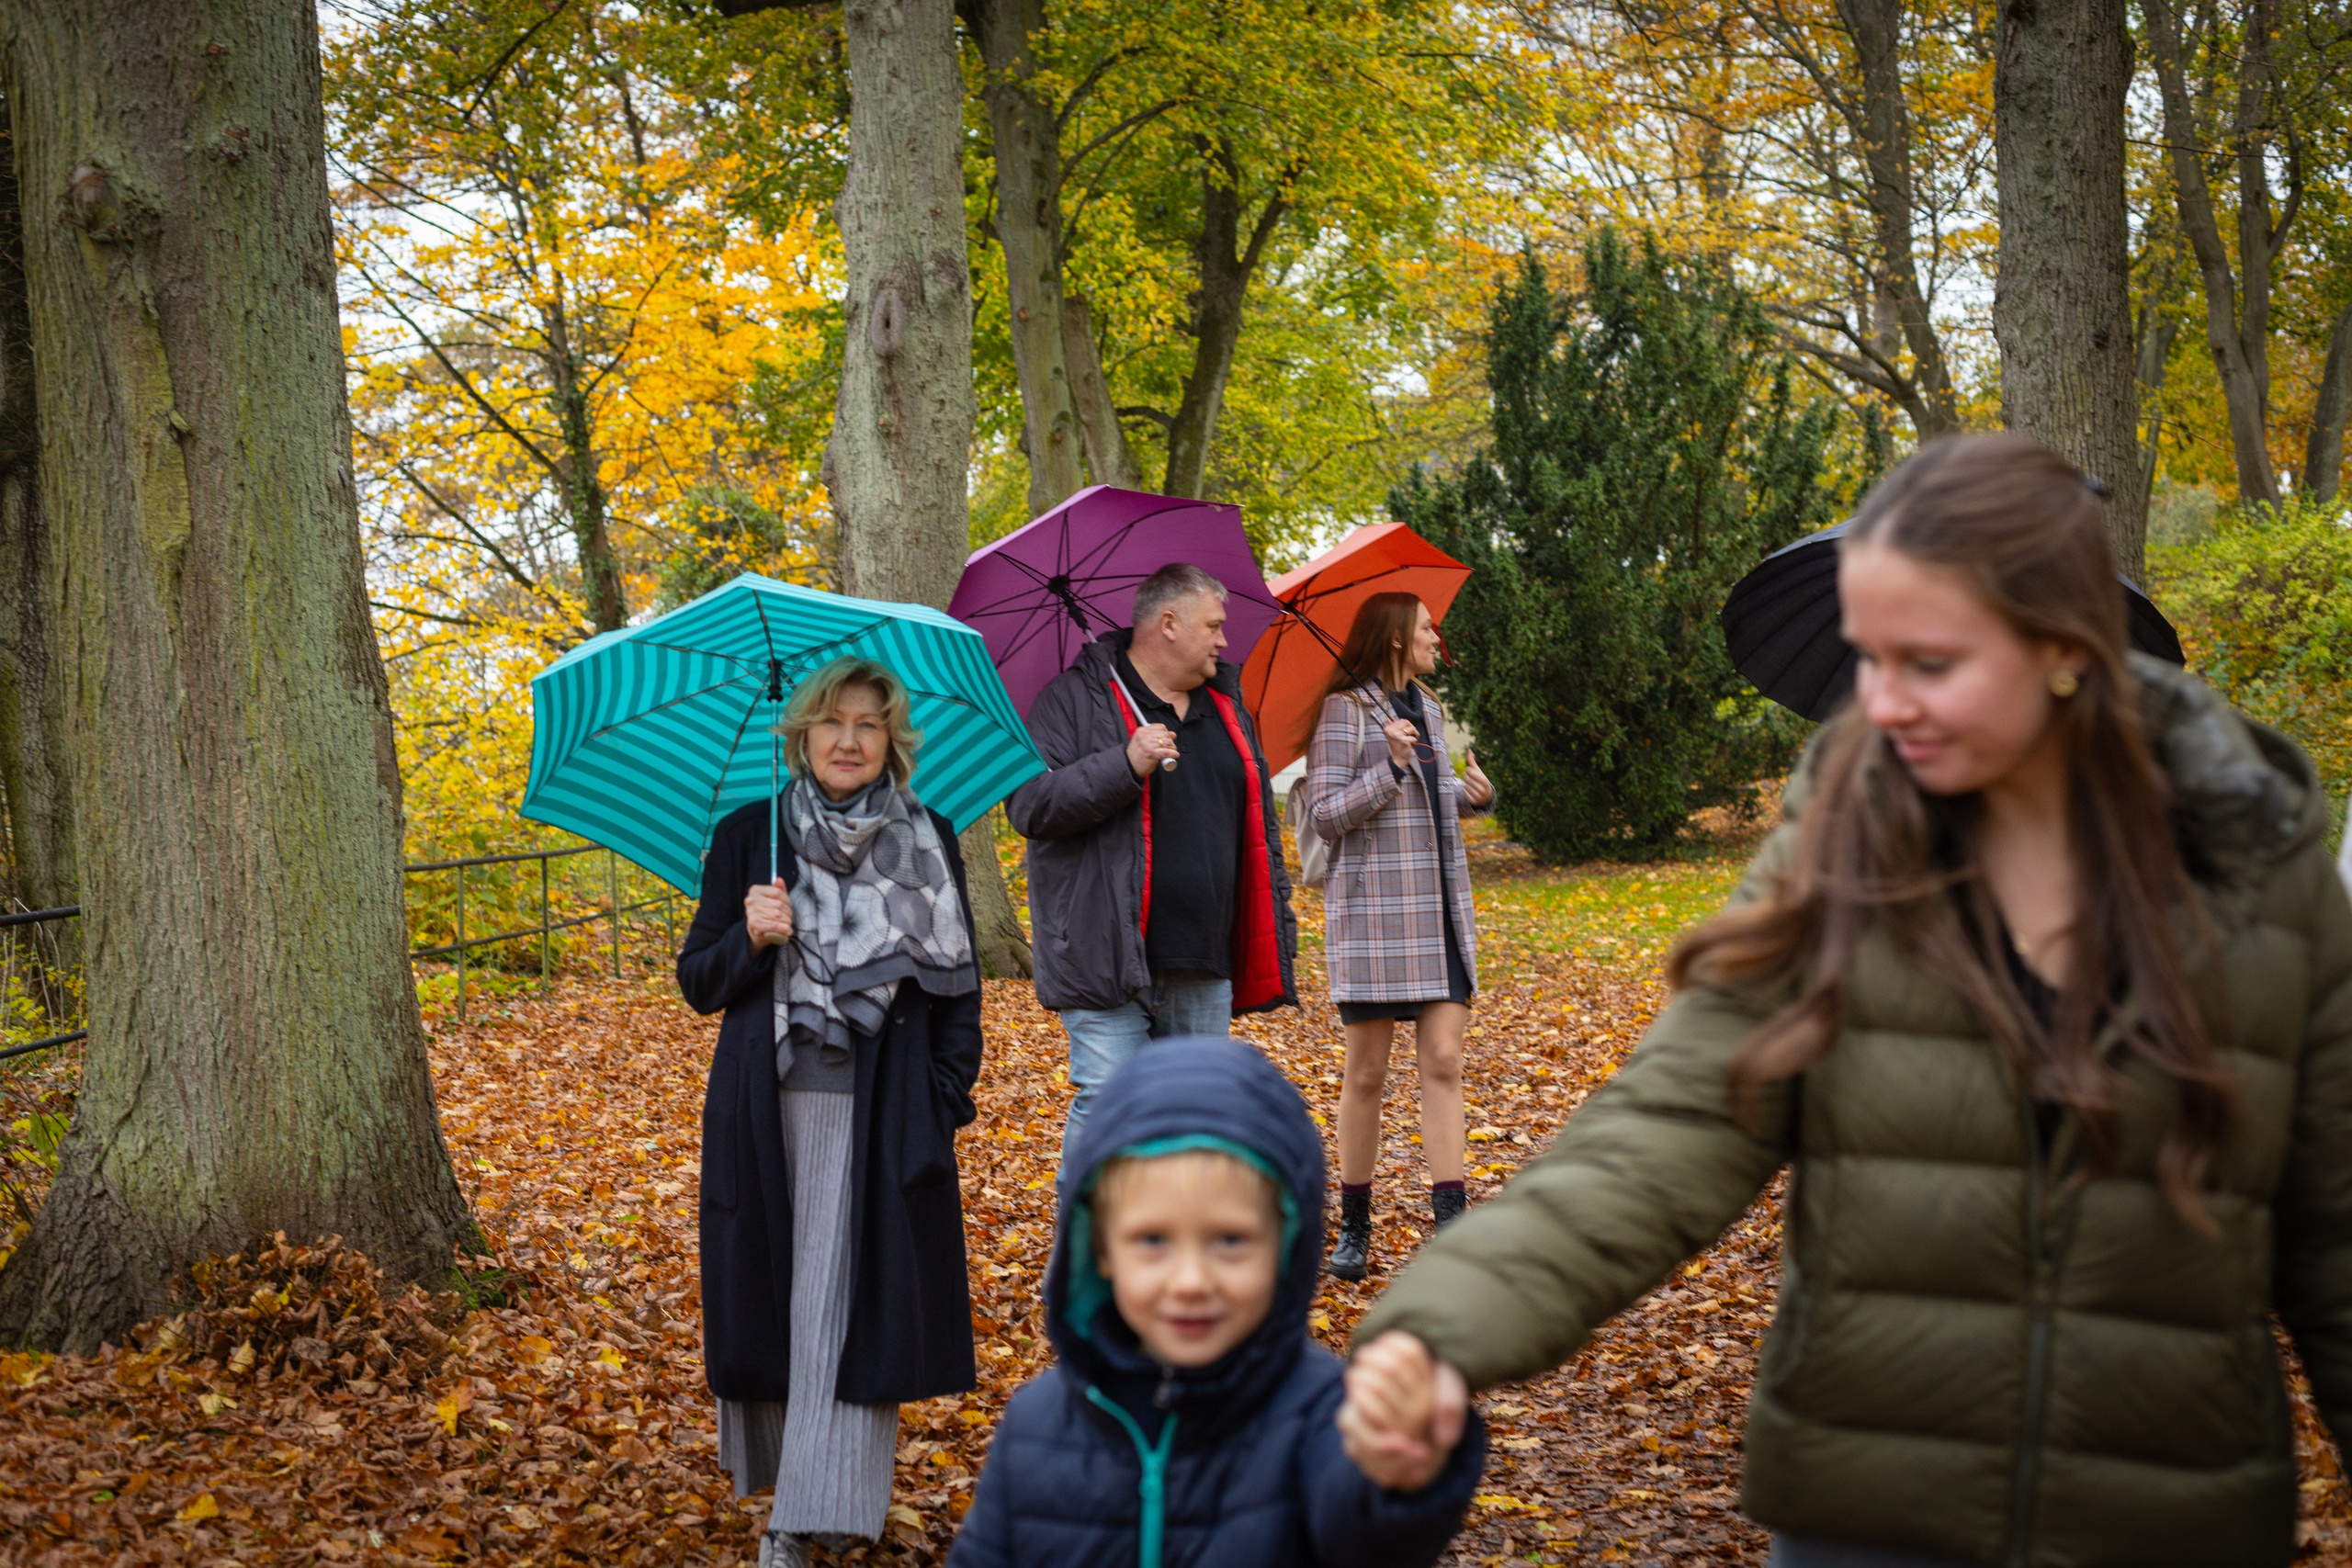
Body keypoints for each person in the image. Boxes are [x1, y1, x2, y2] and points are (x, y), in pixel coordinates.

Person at [1340, 433, 2352, 1568]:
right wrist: (1440, 1331)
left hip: (2173, 1521)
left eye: (1928, 662)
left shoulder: (2256, 869)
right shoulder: (1846, 840)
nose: (1882, 704)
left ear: (2064, 648)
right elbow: (1668, 1129)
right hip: (1867, 1521)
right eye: (1868, 660)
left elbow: (2334, 1228)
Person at [946, 1035, 1486, 1567]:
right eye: (1153, 1241)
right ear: (1101, 1249)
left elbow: (1370, 1538)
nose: (1189, 1282)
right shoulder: (1035, 1428)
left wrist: (1404, 1475)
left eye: (1229, 1241)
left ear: (1285, 1247)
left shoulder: (1325, 1416)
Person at [677, 657, 985, 1568]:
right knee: (783, 1308)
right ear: (800, 733)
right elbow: (699, 981)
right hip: (767, 1115)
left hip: (881, 1116)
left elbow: (959, 994)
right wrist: (750, 937)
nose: (849, 741)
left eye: (869, 725)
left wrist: (941, 1099)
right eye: (832, 722)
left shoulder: (929, 835)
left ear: (893, 742)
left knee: (849, 1316)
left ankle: (803, 1521)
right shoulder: (750, 836)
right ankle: (797, 1500)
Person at [1006, 562, 1297, 1156]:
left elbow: (1258, 831)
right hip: (1105, 955)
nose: (1223, 639)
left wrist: (1276, 929)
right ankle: (1088, 1247)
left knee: (1193, 1124)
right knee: (1111, 1111)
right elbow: (1030, 805)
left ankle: (1173, 1246)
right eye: (1213, 626)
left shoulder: (1227, 709)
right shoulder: (1071, 701)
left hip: (1202, 961)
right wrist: (1124, 763)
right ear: (1168, 623)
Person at [1305, 592, 1494, 1280]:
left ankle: (1454, 1229)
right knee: (1368, 1072)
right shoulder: (1344, 711)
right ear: (1393, 638)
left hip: (1439, 911)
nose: (1433, 636)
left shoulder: (1433, 710)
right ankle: (1354, 1224)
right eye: (1423, 626)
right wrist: (1385, 767)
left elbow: (1432, 809)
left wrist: (1473, 796)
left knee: (1443, 1061)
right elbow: (1324, 815)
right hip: (1376, 917)